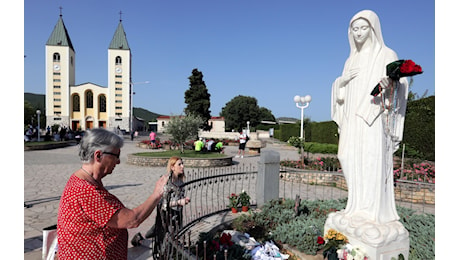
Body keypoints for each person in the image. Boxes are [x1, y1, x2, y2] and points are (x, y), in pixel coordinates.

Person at [329, 10, 409, 225]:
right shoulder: (350, 59)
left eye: (363, 28)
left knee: (371, 160)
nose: (359, 33)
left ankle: (372, 213)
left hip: (373, 117)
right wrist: (341, 82)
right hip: (351, 118)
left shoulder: (386, 55)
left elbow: (400, 85)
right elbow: (341, 93)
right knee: (345, 155)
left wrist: (390, 84)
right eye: (355, 29)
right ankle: (355, 206)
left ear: (373, 29)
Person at [57, 128, 169, 259]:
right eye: (116, 155)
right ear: (98, 156)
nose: (118, 161)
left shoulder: (84, 180)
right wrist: (157, 193)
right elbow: (132, 220)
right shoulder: (86, 191)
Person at [144, 156, 191, 258]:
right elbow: (163, 203)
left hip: (177, 213)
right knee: (162, 241)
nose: (182, 166)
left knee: (174, 236)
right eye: (179, 164)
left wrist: (184, 200)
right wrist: (179, 202)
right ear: (172, 167)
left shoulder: (180, 180)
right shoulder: (167, 181)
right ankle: (140, 240)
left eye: (182, 164)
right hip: (166, 215)